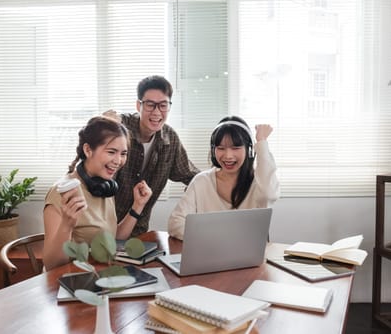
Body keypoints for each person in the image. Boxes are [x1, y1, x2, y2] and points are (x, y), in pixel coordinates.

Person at [43, 116, 153, 270]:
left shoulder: (104, 185)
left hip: (98, 273)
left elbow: (112, 240)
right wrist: (66, 225)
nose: (118, 160)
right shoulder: (61, 192)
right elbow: (51, 264)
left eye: (123, 153)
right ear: (88, 150)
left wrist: (137, 206)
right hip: (68, 280)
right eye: (112, 152)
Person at [104, 75, 200, 237]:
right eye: (150, 105)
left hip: (138, 233)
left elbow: (192, 176)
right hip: (103, 229)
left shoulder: (170, 139)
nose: (156, 112)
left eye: (163, 105)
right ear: (138, 105)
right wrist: (106, 122)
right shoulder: (119, 129)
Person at [168, 116, 279, 240]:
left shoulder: (259, 182)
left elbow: (269, 195)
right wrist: (211, 238)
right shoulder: (201, 181)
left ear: (249, 150)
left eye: (235, 148)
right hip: (210, 253)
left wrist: (262, 142)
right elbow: (175, 223)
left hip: (249, 257)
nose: (228, 156)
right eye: (221, 148)